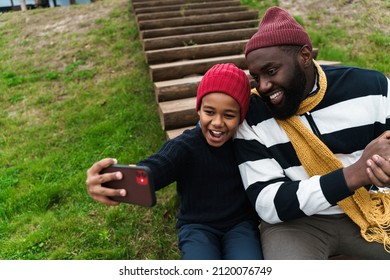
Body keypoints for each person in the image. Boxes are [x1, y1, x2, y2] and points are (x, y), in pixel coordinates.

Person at [233, 6, 390, 259]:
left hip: (373, 209)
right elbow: (268, 202)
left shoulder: (372, 88)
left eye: (271, 71)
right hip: (297, 225)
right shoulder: (252, 115)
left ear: (305, 56)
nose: (262, 86)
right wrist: (353, 174)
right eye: (256, 77)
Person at [86, 63, 263, 260]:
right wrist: (114, 181)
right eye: (209, 112)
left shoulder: (247, 143)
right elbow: (158, 166)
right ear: (198, 110)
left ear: (241, 117)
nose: (217, 122)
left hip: (240, 224)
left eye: (228, 115)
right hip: (197, 227)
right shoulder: (185, 146)